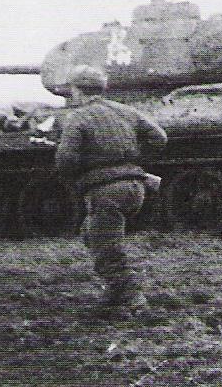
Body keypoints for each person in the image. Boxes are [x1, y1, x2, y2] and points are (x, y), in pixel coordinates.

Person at [55, 65, 168, 312]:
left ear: (75, 90)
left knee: (106, 249)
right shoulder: (125, 111)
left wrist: (87, 168)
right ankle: (113, 294)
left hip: (106, 192)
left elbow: (66, 162)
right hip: (136, 186)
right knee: (91, 234)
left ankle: (134, 300)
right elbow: (160, 138)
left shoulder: (77, 117)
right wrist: (130, 162)